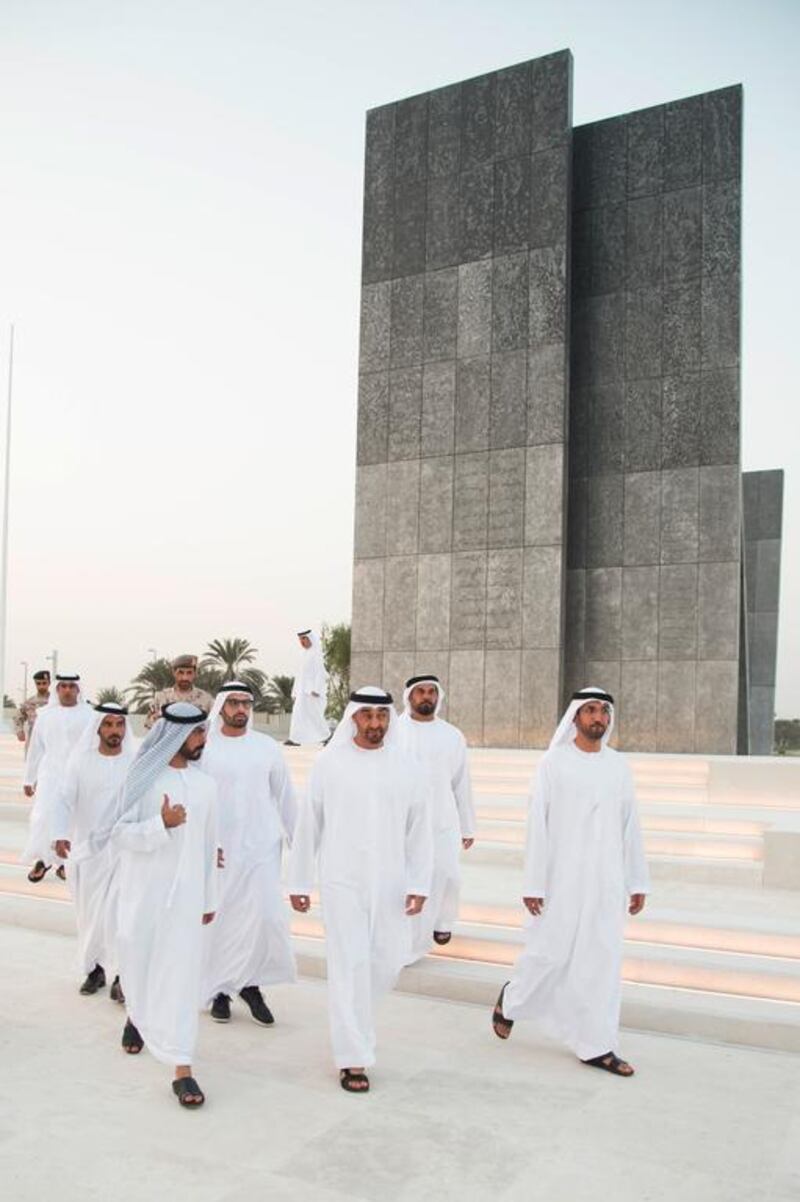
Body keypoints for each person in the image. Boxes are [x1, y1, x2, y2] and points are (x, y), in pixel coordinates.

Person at [491, 687, 650, 1077]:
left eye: (603, 712)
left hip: (607, 880)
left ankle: (597, 1044)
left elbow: (630, 826)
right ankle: (511, 1000)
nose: (598, 718)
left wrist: (636, 879)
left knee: (602, 961)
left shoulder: (618, 766)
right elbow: (537, 826)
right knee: (548, 953)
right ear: (576, 717)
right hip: (561, 879)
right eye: (590, 710)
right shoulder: (554, 763)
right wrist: (534, 884)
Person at [289, 686, 433, 1093]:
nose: (375, 724)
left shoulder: (406, 766)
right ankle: (352, 1057)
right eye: (367, 716)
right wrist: (299, 881)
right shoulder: (329, 763)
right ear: (353, 718)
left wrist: (420, 881)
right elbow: (309, 825)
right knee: (348, 964)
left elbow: (420, 831)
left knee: (386, 960)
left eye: (382, 717)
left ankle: (356, 1026)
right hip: (342, 882)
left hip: (390, 881)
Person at [112, 702, 218, 1109]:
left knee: (180, 978)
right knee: (138, 963)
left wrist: (210, 896)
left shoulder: (207, 786)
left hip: (188, 899)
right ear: (174, 735)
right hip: (143, 895)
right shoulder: (142, 778)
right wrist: (162, 825)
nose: (202, 740)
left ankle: (182, 1067)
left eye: (203, 733)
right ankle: (136, 1016)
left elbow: (210, 846)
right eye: (196, 734)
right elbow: (118, 834)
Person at [201, 680, 297, 1025]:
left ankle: (251, 984)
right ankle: (221, 991)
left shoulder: (266, 747)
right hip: (220, 851)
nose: (241, 709)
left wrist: (298, 841)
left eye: (246, 703)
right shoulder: (205, 746)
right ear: (222, 706)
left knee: (263, 917)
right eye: (234, 703)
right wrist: (202, 845)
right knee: (222, 919)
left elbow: (285, 796)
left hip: (261, 847)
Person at [51, 702, 138, 999]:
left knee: (121, 915)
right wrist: (60, 833)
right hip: (88, 851)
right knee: (90, 915)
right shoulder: (81, 761)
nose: (115, 731)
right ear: (98, 728)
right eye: (109, 725)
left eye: (120, 725)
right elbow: (64, 799)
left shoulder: (134, 761)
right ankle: (94, 969)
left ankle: (121, 976)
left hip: (126, 851)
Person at [397, 674, 475, 958]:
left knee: (447, 874)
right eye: (421, 692)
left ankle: (443, 921)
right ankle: (409, 941)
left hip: (443, 819)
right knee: (411, 879)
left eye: (431, 692)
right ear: (410, 696)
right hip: (403, 821)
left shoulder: (452, 735)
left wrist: (468, 826)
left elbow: (461, 783)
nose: (427, 697)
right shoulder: (394, 730)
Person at [22, 673, 95, 883]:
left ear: (78, 689)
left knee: (73, 818)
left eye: (72, 686)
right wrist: (29, 779)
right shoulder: (44, 715)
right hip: (49, 776)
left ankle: (66, 863)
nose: (67, 690)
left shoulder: (89, 715)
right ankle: (43, 859)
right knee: (42, 816)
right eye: (63, 686)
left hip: (78, 775)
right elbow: (36, 749)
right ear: (57, 689)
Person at [144, 655, 214, 730]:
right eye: (180, 673)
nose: (185, 677)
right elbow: (149, 726)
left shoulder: (206, 699)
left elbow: (212, 726)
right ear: (174, 673)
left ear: (195, 674)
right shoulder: (161, 697)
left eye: (189, 673)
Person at [285, 629, 329, 745]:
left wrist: (317, 689)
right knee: (297, 714)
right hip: (301, 691)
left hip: (311, 691)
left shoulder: (316, 653)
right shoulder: (303, 655)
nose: (302, 641)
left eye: (304, 638)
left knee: (315, 715)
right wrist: (294, 692)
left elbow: (320, 673)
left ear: (310, 639)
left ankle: (327, 736)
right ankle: (294, 738)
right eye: (300, 639)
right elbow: (299, 675)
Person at [14, 669, 51, 752]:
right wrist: (19, 731)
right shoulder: (29, 702)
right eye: (38, 683)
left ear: (49, 683)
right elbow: (18, 717)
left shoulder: (56, 702)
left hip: (52, 742)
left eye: (44, 683)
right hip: (33, 742)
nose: (41, 686)